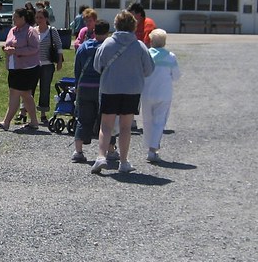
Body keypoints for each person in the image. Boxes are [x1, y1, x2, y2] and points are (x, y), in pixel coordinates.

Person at [89, 11, 155, 175]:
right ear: (133, 26)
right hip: (131, 90)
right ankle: (124, 161)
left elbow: (97, 66)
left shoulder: (107, 43)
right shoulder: (139, 46)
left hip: (110, 88)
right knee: (126, 127)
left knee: (106, 125)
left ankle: (101, 156)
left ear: (116, 25)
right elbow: (149, 69)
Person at [0, 7, 41, 131]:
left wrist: (16, 51)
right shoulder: (12, 30)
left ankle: (6, 122)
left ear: (23, 18)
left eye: (15, 17)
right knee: (26, 95)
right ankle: (34, 122)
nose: (13, 19)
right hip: (14, 67)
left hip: (27, 68)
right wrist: (6, 49)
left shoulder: (31, 31)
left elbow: (34, 48)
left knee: (14, 93)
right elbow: (9, 43)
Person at [70, 20, 110, 164]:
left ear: (94, 31)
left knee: (83, 118)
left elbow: (77, 68)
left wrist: (77, 84)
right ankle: (111, 150)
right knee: (107, 120)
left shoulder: (84, 46)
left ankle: (78, 151)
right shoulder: (108, 48)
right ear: (107, 32)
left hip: (85, 86)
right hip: (102, 87)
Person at [141, 28, 181, 163]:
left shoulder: (146, 55)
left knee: (147, 121)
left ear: (151, 41)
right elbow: (176, 76)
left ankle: (149, 146)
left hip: (147, 93)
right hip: (164, 94)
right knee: (159, 122)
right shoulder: (171, 56)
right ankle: (153, 149)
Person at [33, 8, 64, 124]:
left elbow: (59, 45)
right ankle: (24, 112)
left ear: (46, 18)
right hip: (33, 64)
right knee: (29, 88)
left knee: (45, 89)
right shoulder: (33, 31)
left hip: (47, 64)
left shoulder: (52, 30)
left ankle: (43, 113)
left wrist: (59, 61)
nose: (39, 20)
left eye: (41, 17)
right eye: (37, 18)